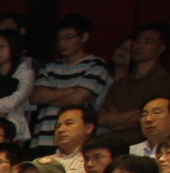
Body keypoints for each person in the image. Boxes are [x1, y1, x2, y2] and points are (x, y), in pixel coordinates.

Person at [30, 10, 113, 148]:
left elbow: (76, 100)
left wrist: (51, 96)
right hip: (43, 137)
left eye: (69, 37)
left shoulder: (96, 65)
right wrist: (71, 90)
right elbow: (36, 97)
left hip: (76, 141)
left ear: (84, 37)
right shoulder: (49, 67)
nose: (62, 43)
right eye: (59, 39)